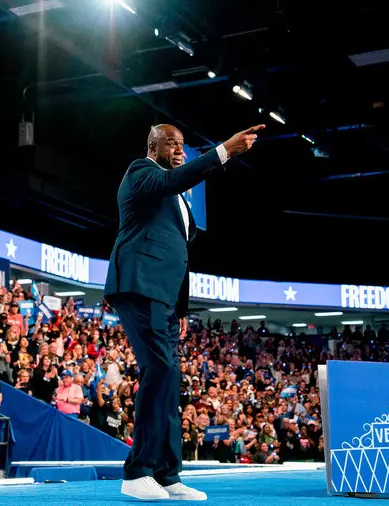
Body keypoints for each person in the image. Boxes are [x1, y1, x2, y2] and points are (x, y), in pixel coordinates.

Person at [104, 123, 265, 501]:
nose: (180, 149)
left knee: (170, 379)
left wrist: (180, 308)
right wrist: (224, 150)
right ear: (152, 146)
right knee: (158, 370)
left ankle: (168, 474)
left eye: (182, 145)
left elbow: (178, 254)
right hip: (137, 285)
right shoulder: (141, 172)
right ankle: (137, 472)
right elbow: (173, 181)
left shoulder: (178, 197)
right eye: (171, 143)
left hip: (163, 296)